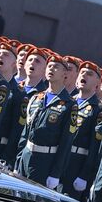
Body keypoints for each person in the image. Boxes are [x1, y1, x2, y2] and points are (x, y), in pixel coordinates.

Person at [15, 55, 77, 187]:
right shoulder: (36, 97)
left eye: (56, 67)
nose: (51, 69)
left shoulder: (70, 105)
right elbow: (25, 133)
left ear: (64, 74)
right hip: (26, 156)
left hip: (45, 160)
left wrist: (56, 173)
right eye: (49, 66)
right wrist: (18, 160)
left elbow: (66, 143)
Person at [60, 62, 102, 202]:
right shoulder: (67, 101)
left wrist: (84, 175)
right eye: (82, 73)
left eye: (90, 74)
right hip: (60, 159)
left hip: (76, 164)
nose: (84, 75)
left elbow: (95, 148)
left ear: (97, 84)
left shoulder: (99, 110)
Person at [0, 40, 28, 168]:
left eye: (6, 55)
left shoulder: (19, 93)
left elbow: (16, 130)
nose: (0, 57)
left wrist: (6, 157)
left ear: (14, 64)